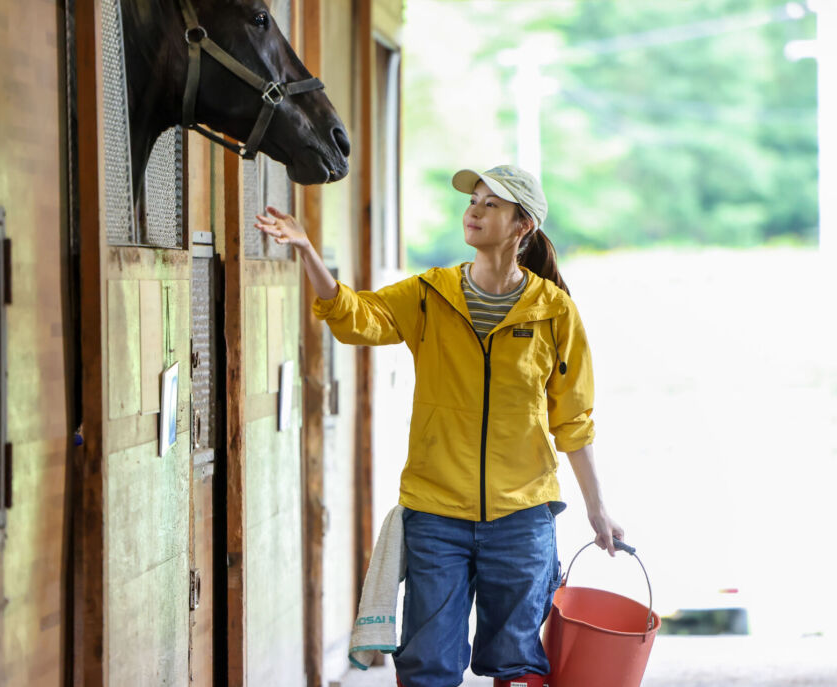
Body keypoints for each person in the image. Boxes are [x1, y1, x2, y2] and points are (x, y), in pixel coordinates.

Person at [255, 165, 622, 687]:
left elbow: (574, 420)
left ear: (523, 225)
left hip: (522, 515)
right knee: (427, 663)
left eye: (492, 204)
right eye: (474, 200)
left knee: (517, 662)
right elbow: (357, 317)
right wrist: (309, 253)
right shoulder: (432, 293)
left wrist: (597, 508)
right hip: (436, 513)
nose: (474, 210)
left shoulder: (555, 312)